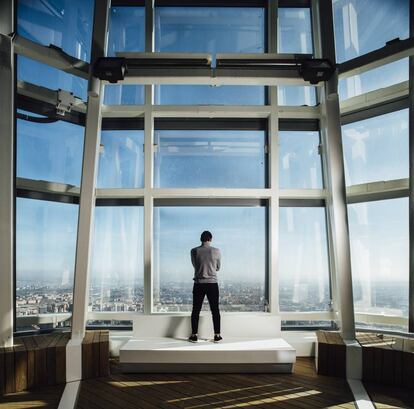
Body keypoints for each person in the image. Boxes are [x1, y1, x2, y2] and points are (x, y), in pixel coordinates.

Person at [188, 230, 222, 343]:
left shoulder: (194, 251)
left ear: (201, 239)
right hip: (212, 283)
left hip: (199, 284)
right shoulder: (216, 251)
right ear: (210, 239)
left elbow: (195, 265)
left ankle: (194, 335)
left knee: (196, 310)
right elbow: (218, 268)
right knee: (215, 310)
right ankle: (217, 335)